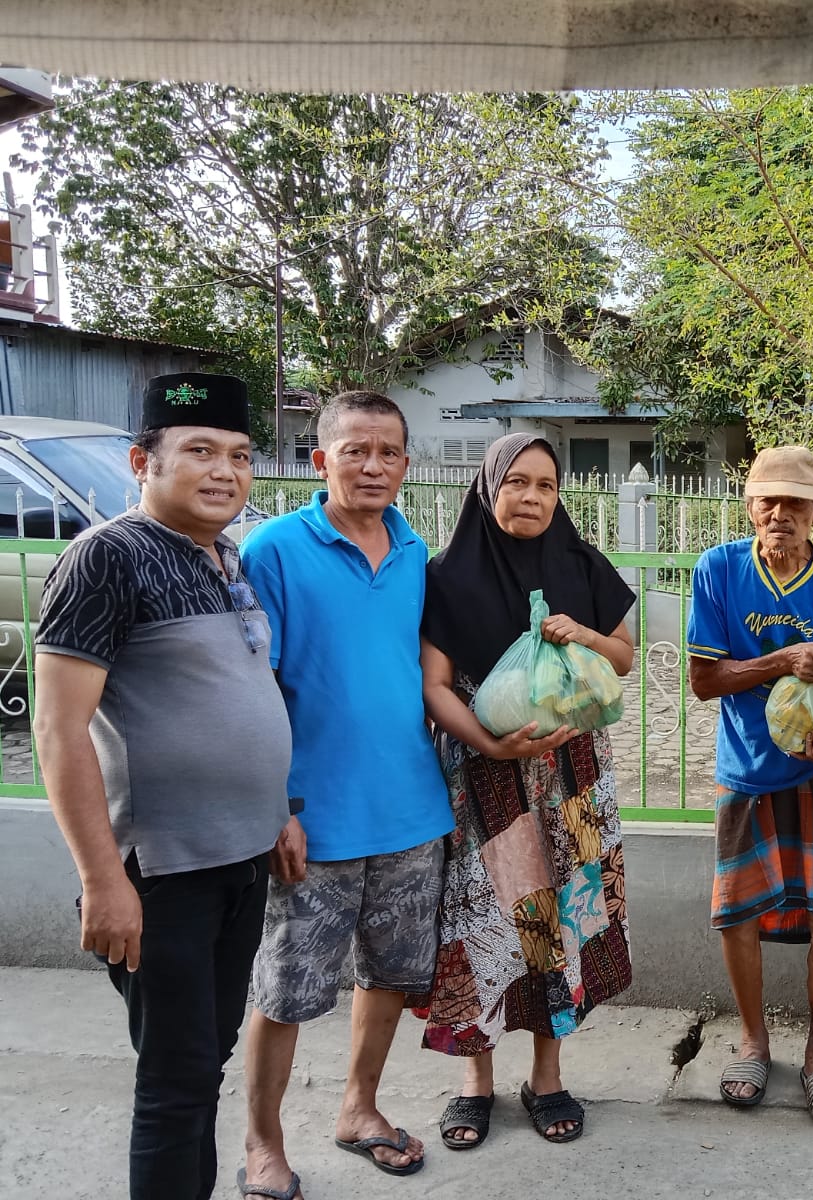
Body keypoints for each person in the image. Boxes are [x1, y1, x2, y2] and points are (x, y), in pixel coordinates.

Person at [33, 372, 295, 1200]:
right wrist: (102, 879)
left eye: (241, 456)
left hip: (243, 857)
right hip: (163, 873)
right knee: (177, 1084)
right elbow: (58, 729)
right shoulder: (105, 558)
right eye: (200, 452)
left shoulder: (226, 556)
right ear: (142, 461)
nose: (225, 471)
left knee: (206, 1058)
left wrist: (278, 813)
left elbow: (243, 698)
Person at [238, 391, 454, 1191]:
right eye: (354, 450)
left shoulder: (413, 550)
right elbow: (254, 690)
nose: (373, 466)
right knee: (288, 991)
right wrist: (278, 808)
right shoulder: (275, 549)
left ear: (405, 463)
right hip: (312, 821)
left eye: (388, 453)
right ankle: (263, 1143)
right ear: (319, 458)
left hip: (410, 811)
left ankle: (359, 1107)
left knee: (391, 977)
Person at [418, 433, 636, 1148]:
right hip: (483, 778)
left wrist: (584, 636)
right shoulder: (448, 576)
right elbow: (435, 686)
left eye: (545, 485)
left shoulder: (581, 564)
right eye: (516, 482)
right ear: (488, 486)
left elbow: (626, 658)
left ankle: (547, 1076)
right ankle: (474, 1081)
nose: (532, 497)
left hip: (571, 776)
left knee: (561, 919)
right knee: (479, 923)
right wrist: (488, 742)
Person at [687, 445, 813, 1127]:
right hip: (747, 768)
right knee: (739, 912)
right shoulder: (718, 570)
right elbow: (704, 681)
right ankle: (752, 1040)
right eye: (767, 501)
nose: (780, 514)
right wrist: (779, 660)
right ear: (749, 507)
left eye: (795, 503)